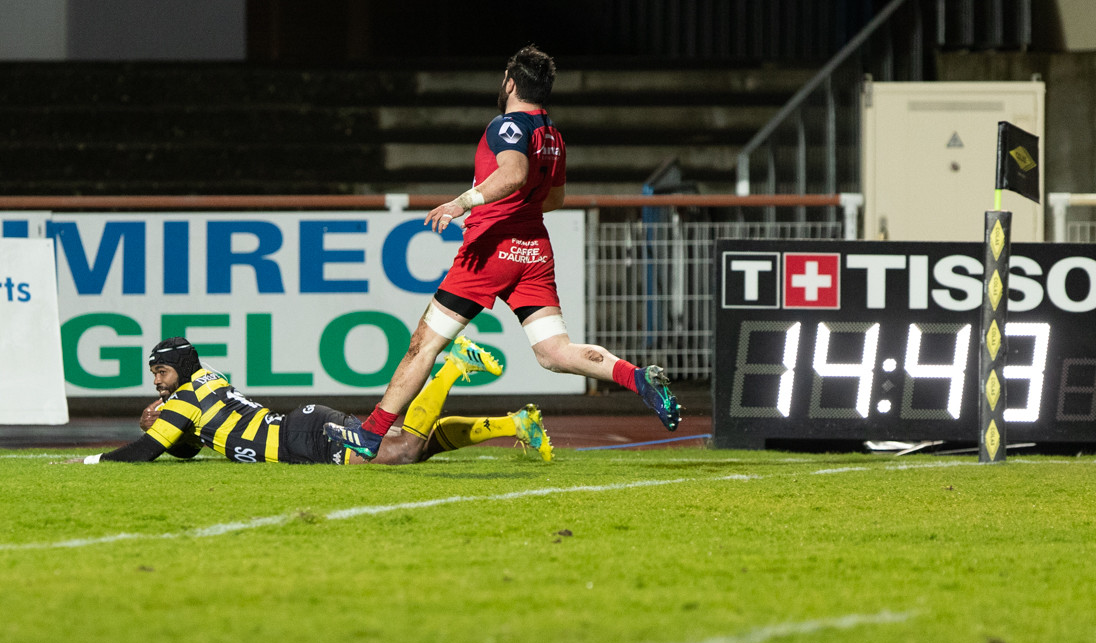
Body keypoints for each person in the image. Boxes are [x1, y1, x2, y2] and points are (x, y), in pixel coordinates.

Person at [323, 44, 681, 461]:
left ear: (511, 82)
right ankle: (637, 378)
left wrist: (464, 202)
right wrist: (520, 205)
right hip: (534, 251)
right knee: (554, 353)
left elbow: (514, 173)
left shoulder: (507, 125)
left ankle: (370, 434)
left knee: (424, 345)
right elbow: (554, 198)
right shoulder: (554, 136)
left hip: (491, 250)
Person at [66, 336, 553, 466]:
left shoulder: (184, 399)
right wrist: (170, 431)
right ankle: (513, 424)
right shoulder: (208, 380)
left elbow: (146, 451)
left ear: (182, 368)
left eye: (162, 371)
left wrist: (98, 459)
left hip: (302, 438)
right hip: (301, 427)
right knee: (411, 446)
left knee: (399, 453)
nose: (157, 382)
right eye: (154, 373)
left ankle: (448, 368)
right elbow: (187, 447)